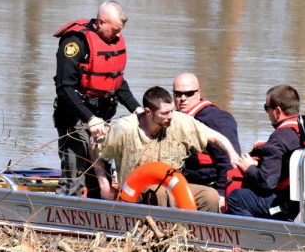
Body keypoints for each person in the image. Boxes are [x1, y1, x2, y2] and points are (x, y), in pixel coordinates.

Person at [93, 86, 241, 212]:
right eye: (164, 113)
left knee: (210, 196)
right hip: (135, 191)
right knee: (161, 193)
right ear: (148, 112)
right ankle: (162, 238)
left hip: (173, 187)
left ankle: (199, 238)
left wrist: (231, 152)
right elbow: (94, 145)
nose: (170, 117)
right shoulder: (124, 128)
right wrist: (104, 185)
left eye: (171, 111)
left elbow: (215, 137)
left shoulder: (179, 121)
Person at [52, 0, 142, 199]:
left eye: (120, 30)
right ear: (101, 22)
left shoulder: (112, 41)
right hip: (75, 117)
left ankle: (97, 216)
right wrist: (89, 118)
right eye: (115, 30)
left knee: (100, 175)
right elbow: (64, 86)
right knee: (75, 173)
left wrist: (137, 109)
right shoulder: (75, 42)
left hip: (103, 118)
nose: (118, 35)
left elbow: (117, 82)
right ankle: (62, 216)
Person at [225, 84, 302, 219]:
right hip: (300, 199)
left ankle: (254, 235)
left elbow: (267, 182)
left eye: (266, 108)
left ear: (277, 111)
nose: (266, 112)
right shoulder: (303, 130)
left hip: (284, 204)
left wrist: (248, 168)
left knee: (236, 198)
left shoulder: (279, 137)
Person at [172, 72, 241, 198]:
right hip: (182, 183)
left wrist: (221, 195)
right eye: (178, 94)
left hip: (208, 190)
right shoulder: (173, 118)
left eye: (189, 93)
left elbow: (228, 163)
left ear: (198, 93)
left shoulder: (216, 119)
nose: (182, 98)